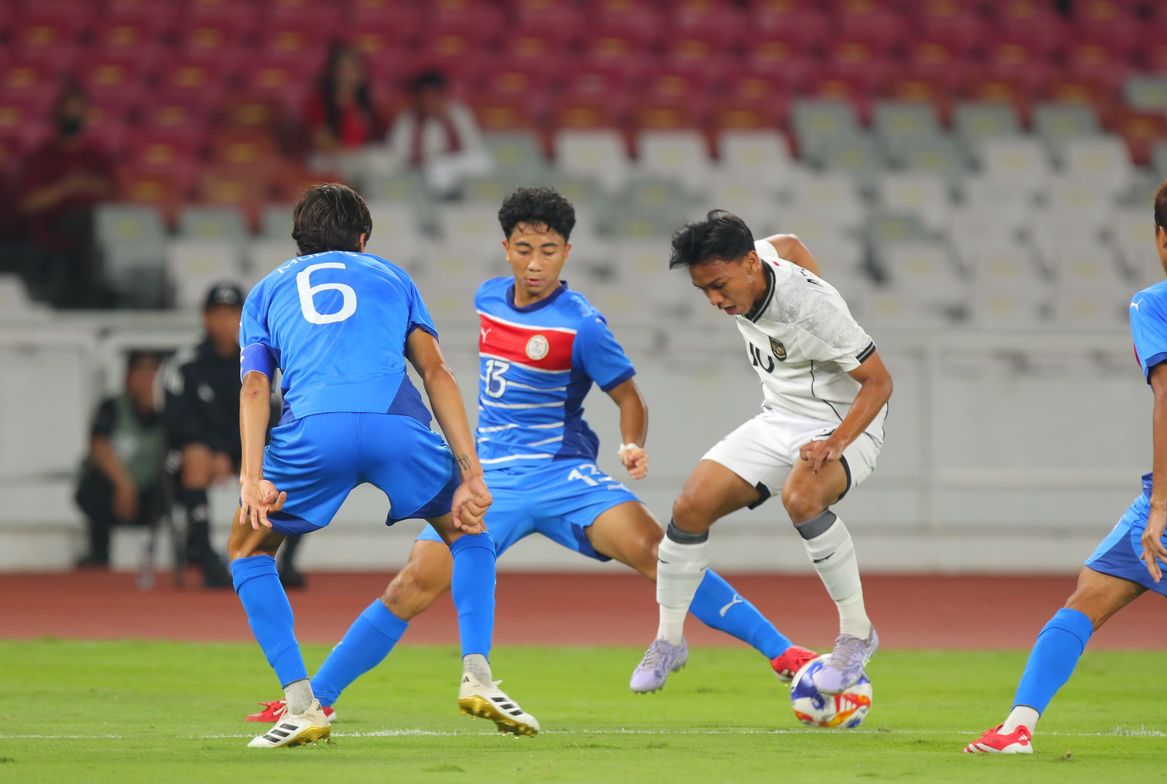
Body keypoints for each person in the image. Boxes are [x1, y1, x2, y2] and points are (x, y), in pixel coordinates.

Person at [244, 187, 817, 725]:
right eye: (524, 249)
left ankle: (784, 654)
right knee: (409, 587)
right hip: (493, 473)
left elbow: (629, 396)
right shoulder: (487, 297)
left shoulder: (583, 325)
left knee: (659, 554)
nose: (536, 263)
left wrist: (631, 441)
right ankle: (317, 700)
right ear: (507, 251)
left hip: (563, 474)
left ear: (567, 252)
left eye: (548, 250)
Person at [230, 183, 535, 749]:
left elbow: (254, 385)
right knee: (469, 532)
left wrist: (252, 476)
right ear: (363, 239)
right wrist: (471, 470)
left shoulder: (267, 291)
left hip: (313, 431)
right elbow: (436, 372)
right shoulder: (394, 278)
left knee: (247, 553)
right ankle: (478, 675)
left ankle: (302, 705)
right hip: (398, 427)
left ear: (298, 241)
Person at [964, 173, 1167, 755]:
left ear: (1162, 237)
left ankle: (1018, 727)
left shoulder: (1155, 303)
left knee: (1087, 601)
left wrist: (1163, 502)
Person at [632, 210, 893, 696]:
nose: (713, 298)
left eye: (719, 285)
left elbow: (880, 382)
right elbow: (790, 243)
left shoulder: (810, 312)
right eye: (703, 289)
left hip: (846, 420)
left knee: (802, 497)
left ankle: (857, 634)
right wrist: (820, 281)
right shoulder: (761, 259)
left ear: (749, 264)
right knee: (689, 507)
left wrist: (836, 442)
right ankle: (669, 640)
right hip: (780, 417)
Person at [163, 282, 304, 589]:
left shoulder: (257, 361)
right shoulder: (187, 364)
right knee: (194, 456)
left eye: (232, 314)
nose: (225, 322)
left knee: (296, 462)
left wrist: (230, 453)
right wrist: (217, 451)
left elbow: (272, 415)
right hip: (203, 451)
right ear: (205, 318)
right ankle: (203, 556)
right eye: (217, 314)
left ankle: (284, 557)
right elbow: (178, 421)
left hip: (246, 448)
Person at [15, 83, 116, 308]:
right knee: (88, 223)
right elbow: (28, 204)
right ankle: (89, 297)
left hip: (102, 230)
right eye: (68, 113)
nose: (73, 118)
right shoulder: (43, 156)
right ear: (56, 116)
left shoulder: (96, 155)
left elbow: (117, 195)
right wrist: (67, 187)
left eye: (77, 113)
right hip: (55, 228)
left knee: (106, 225)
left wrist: (90, 185)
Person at [75, 351, 166, 568]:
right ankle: (98, 551)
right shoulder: (112, 407)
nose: (146, 382)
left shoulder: (169, 414)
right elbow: (99, 445)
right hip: (114, 491)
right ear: (128, 378)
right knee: (95, 484)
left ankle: (192, 548)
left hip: (150, 494)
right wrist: (124, 485)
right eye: (141, 374)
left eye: (152, 375)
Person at [387, 69, 492, 199]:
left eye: (434, 96)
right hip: (422, 171)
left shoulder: (458, 114)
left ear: (442, 96)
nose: (429, 102)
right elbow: (399, 156)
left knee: (483, 161)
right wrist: (429, 161)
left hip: (455, 168)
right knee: (436, 170)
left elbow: (472, 147)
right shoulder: (407, 120)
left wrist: (446, 122)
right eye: (425, 96)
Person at [304, 44, 381, 158]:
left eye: (352, 69)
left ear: (362, 74)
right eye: (342, 68)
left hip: (357, 160)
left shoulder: (365, 107)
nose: (346, 74)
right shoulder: (317, 103)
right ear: (332, 72)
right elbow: (323, 143)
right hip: (326, 161)